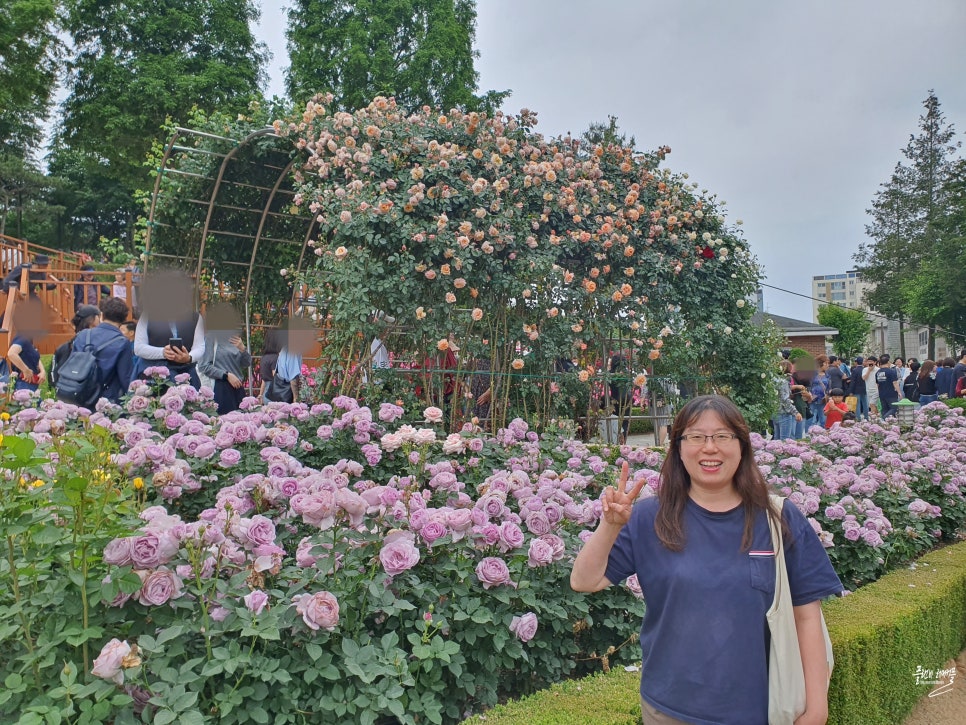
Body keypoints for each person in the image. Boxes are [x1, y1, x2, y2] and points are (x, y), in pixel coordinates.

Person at [571, 395, 842, 724]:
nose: (709, 448)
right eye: (696, 437)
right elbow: (584, 581)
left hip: (759, 710)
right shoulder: (648, 518)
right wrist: (610, 526)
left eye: (722, 436)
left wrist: (816, 708)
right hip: (669, 709)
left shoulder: (777, 519)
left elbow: (807, 618)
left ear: (742, 446)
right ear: (679, 448)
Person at [132, 270, 205, 388]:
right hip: (153, 377)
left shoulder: (195, 318)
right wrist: (163, 352)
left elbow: (200, 347)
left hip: (185, 375)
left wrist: (189, 357)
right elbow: (139, 348)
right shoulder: (148, 315)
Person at [74, 297, 134, 404]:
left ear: (102, 315)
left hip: (77, 394)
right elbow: (125, 378)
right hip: (106, 401)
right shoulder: (122, 342)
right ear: (124, 319)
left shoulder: (83, 335)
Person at [198, 303, 252, 414]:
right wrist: (226, 375)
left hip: (238, 389)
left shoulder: (234, 337)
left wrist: (243, 349)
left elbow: (246, 363)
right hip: (221, 388)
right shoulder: (211, 337)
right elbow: (203, 366)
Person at [50, 304, 102, 388]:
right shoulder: (94, 345)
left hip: (66, 391)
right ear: (92, 320)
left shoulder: (66, 345)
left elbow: (53, 374)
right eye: (99, 316)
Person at [5, 299, 46, 391]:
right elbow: (11, 353)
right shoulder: (22, 338)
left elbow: (36, 357)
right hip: (23, 385)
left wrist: (42, 371)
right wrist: (25, 370)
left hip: (32, 384)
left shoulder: (28, 340)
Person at [609, 352, 633, 444]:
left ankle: (616, 441)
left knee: (614, 421)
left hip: (615, 400)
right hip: (627, 399)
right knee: (625, 422)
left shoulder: (611, 373)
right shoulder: (627, 373)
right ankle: (624, 442)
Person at [776, 360, 801, 440]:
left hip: (775, 413)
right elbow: (785, 400)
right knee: (785, 440)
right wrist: (796, 412)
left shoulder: (774, 380)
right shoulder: (783, 382)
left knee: (776, 439)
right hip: (783, 413)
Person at [258, 327, 283, 403]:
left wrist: (260, 395)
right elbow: (276, 377)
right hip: (274, 395)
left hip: (266, 393)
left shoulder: (264, 358)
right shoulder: (275, 358)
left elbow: (264, 380)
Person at [874, 354, 900, 419]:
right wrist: (899, 392)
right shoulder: (891, 371)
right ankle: (883, 419)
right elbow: (895, 383)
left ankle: (885, 424)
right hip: (891, 393)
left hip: (882, 393)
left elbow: (877, 384)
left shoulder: (878, 372)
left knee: (884, 409)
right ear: (888, 362)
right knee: (894, 408)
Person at [809, 355, 829, 429]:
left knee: (823, 419)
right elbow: (808, 386)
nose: (828, 365)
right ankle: (810, 435)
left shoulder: (827, 375)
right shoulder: (812, 374)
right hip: (812, 399)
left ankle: (822, 436)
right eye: (826, 363)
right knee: (811, 419)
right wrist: (810, 395)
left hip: (823, 400)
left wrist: (827, 394)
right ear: (822, 363)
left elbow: (829, 387)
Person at [849, 357, 868, 421]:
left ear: (856, 362)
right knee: (865, 403)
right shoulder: (865, 369)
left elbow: (853, 381)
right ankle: (866, 417)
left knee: (857, 404)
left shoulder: (855, 370)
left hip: (856, 389)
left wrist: (851, 391)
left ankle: (858, 418)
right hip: (864, 389)